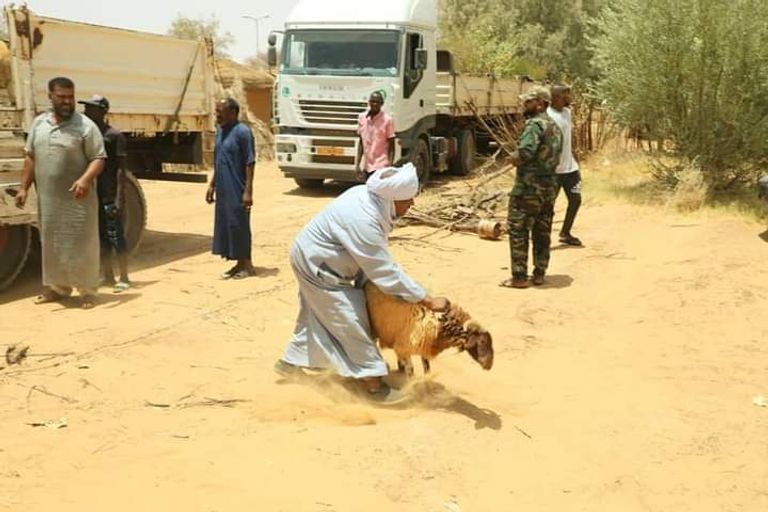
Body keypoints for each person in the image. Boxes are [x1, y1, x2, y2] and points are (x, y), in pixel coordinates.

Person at [275, 162, 449, 404]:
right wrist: (426, 299)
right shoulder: (363, 219)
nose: (412, 204)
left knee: (317, 314)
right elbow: (383, 270)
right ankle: (373, 386)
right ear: (392, 200)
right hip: (318, 266)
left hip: (318, 258)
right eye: (407, 199)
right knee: (350, 320)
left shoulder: (369, 200)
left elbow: (374, 262)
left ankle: (290, 363)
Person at [15, 77, 106, 309]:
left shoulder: (85, 126)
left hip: (78, 200)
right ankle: (58, 288)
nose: (67, 101)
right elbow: (30, 157)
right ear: (50, 97)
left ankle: (87, 291)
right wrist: (24, 187)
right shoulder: (39, 124)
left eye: (70, 97)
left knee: (83, 244)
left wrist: (85, 179)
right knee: (52, 243)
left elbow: (98, 158)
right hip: (49, 200)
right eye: (62, 97)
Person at [500, 86, 563, 289]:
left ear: (540, 104)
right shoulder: (555, 126)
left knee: (518, 230)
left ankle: (519, 277)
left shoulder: (535, 125)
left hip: (528, 189)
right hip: (549, 188)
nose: (524, 105)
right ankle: (539, 273)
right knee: (542, 231)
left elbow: (526, 152)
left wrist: (512, 158)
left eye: (528, 102)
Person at [79, 94, 131, 292]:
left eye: (91, 108)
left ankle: (124, 277)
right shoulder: (88, 135)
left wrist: (119, 198)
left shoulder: (114, 136)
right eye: (86, 108)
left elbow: (121, 170)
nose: (86, 112)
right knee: (100, 236)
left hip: (109, 194)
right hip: (94, 194)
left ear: (102, 111)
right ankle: (107, 275)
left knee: (116, 235)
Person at [206, 98, 256, 279]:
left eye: (220, 111)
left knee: (239, 224)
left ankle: (247, 265)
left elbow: (250, 162)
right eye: (217, 111)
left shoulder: (243, 132)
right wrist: (212, 185)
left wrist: (248, 191)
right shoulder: (220, 131)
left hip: (237, 186)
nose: (217, 115)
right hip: (223, 186)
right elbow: (219, 160)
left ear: (233, 112)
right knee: (228, 224)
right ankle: (238, 263)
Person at [548, 85, 583, 246]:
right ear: (556, 97)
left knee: (575, 200)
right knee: (548, 206)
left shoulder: (567, 112)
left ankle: (565, 233)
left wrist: (575, 157)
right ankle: (543, 237)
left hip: (571, 169)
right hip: (554, 171)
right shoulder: (548, 116)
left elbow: (569, 138)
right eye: (566, 95)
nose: (569, 98)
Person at [356, 91, 395, 181]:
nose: (375, 104)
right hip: (367, 166)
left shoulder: (387, 120)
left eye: (377, 102)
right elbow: (361, 142)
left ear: (382, 104)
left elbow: (392, 145)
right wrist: (358, 164)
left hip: (381, 165)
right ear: (369, 102)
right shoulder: (362, 118)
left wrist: (390, 166)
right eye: (373, 101)